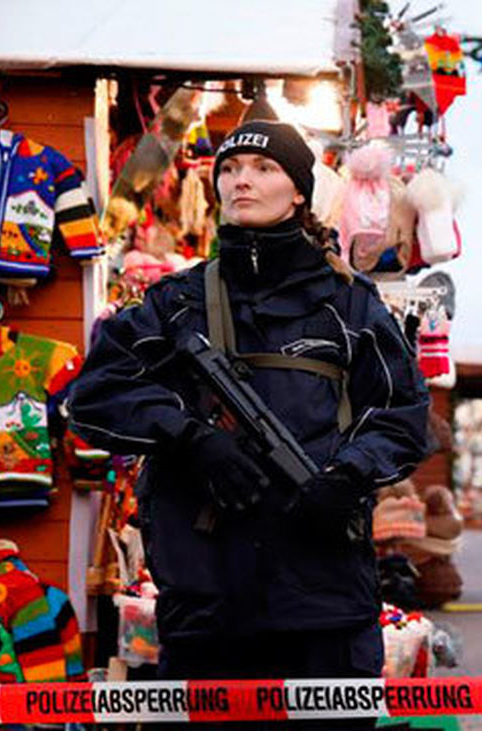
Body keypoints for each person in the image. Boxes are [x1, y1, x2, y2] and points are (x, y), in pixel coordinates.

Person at [68, 121, 431, 726]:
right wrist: (189, 438)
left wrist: (347, 477)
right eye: (231, 168)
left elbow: (401, 415)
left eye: (264, 169)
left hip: (324, 600)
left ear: (298, 193)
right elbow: (95, 396)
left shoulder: (350, 304)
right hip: (208, 601)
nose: (242, 180)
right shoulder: (174, 302)